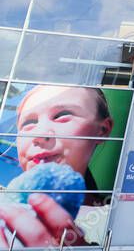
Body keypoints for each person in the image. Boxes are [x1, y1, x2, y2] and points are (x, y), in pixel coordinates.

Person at [0, 85, 114, 247]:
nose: (39, 134)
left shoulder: (118, 220)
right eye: (29, 123)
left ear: (102, 130)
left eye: (62, 115)